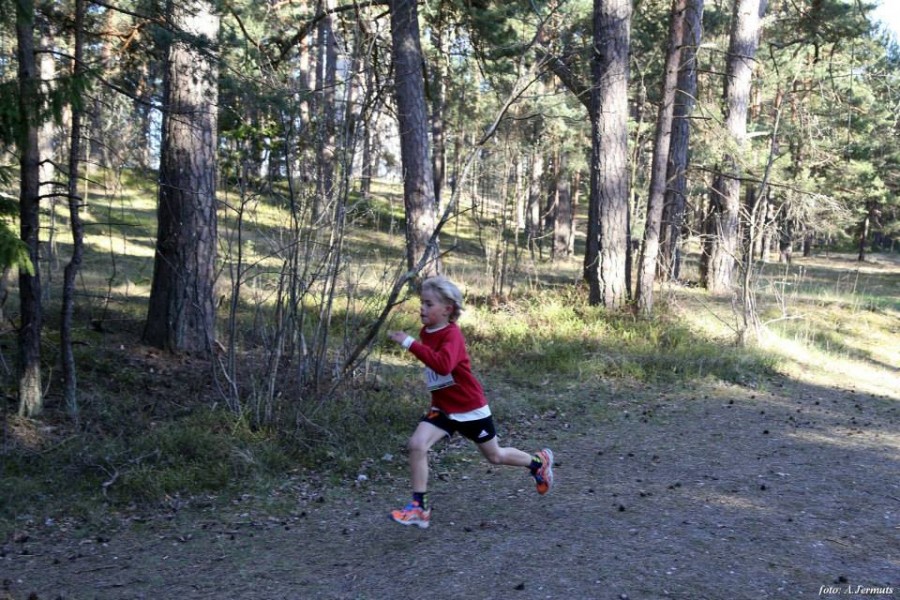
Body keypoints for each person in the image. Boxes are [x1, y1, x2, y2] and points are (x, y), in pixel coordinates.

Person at [387, 275, 554, 529]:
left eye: (429, 304)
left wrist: (409, 343)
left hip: (470, 409)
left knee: (495, 456)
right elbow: (437, 373)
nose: (422, 308)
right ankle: (419, 508)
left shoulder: (452, 335)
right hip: (444, 409)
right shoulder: (426, 332)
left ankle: (538, 463)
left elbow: (443, 365)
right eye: (422, 302)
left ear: (447, 309)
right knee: (417, 445)